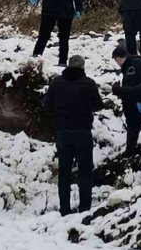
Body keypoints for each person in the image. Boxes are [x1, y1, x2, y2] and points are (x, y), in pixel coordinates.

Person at [43, 54, 103, 216]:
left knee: (64, 172)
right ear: (83, 67)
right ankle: (85, 209)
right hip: (83, 132)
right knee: (85, 172)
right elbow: (98, 105)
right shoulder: (89, 83)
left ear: (68, 66)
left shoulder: (56, 83)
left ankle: (65, 209)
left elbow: (47, 107)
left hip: (62, 132)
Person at [111, 45, 141, 162]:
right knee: (133, 130)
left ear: (118, 58)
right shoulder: (129, 65)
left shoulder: (136, 65)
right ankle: (129, 154)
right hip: (133, 108)